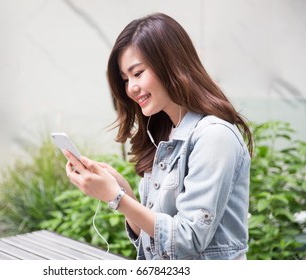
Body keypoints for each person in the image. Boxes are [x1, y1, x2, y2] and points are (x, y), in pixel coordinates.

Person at [64, 12, 253, 260]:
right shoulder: (165, 133)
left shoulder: (215, 136)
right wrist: (124, 191)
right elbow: (153, 238)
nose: (131, 88)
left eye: (138, 73)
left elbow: (188, 240)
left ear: (170, 64)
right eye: (125, 79)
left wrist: (116, 198)